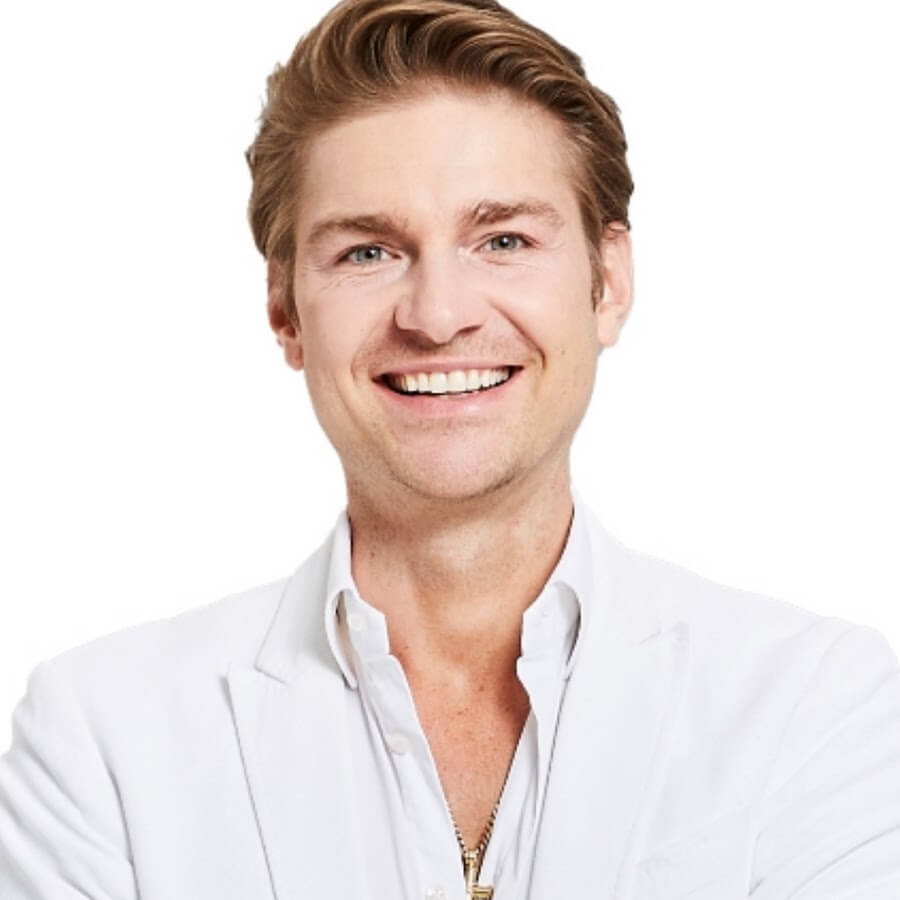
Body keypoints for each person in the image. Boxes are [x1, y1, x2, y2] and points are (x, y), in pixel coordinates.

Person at [1, 0, 899, 897]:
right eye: (367, 252)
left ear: (608, 282)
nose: (438, 316)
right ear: (285, 312)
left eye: (503, 239)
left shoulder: (824, 709)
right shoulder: (104, 741)